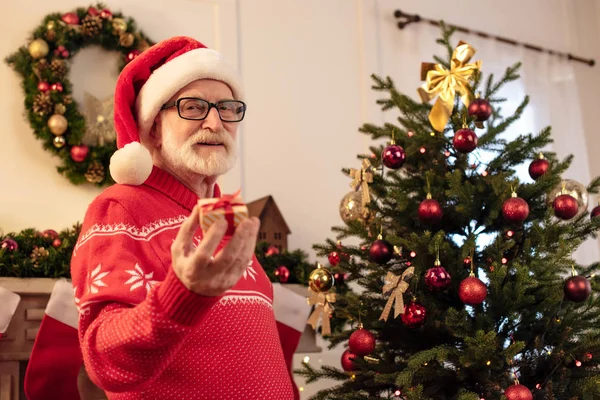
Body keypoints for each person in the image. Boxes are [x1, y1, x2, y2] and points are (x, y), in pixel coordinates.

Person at [70, 36, 309, 400]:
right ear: (153, 128)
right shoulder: (120, 207)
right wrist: (182, 296)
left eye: (228, 108)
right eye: (194, 106)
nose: (215, 122)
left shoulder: (223, 216)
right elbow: (105, 362)